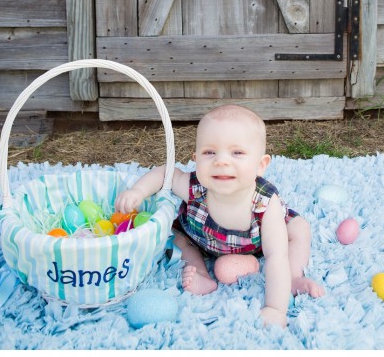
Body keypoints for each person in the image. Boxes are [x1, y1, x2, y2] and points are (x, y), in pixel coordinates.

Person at [116, 104, 324, 329]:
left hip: (257, 244)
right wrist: (138, 191)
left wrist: (275, 308)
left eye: (237, 153)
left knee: (300, 228)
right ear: (196, 159)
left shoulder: (265, 204)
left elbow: (275, 256)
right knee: (174, 236)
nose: (221, 161)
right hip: (200, 239)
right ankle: (202, 275)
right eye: (209, 152)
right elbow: (166, 173)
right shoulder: (194, 187)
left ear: (260, 165)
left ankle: (293, 277)